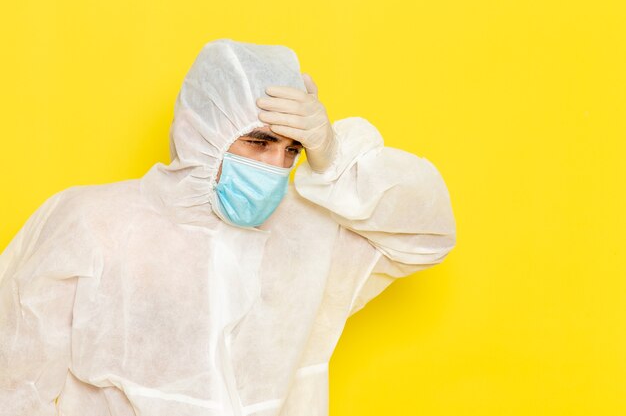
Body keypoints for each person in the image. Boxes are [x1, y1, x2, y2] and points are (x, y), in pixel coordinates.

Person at [0, 38, 456, 416]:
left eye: (292, 150)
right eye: (258, 142)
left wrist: (334, 160)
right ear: (202, 130)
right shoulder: (94, 223)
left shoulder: (307, 236)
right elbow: (13, 384)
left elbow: (428, 237)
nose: (276, 166)